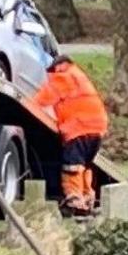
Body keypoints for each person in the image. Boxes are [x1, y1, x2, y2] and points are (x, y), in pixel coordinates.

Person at [32, 54, 109, 215]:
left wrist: (28, 103)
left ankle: (75, 202)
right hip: (96, 130)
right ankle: (87, 200)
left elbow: (41, 100)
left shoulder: (63, 78)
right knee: (84, 167)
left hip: (78, 128)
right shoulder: (79, 77)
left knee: (72, 166)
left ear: (58, 68)